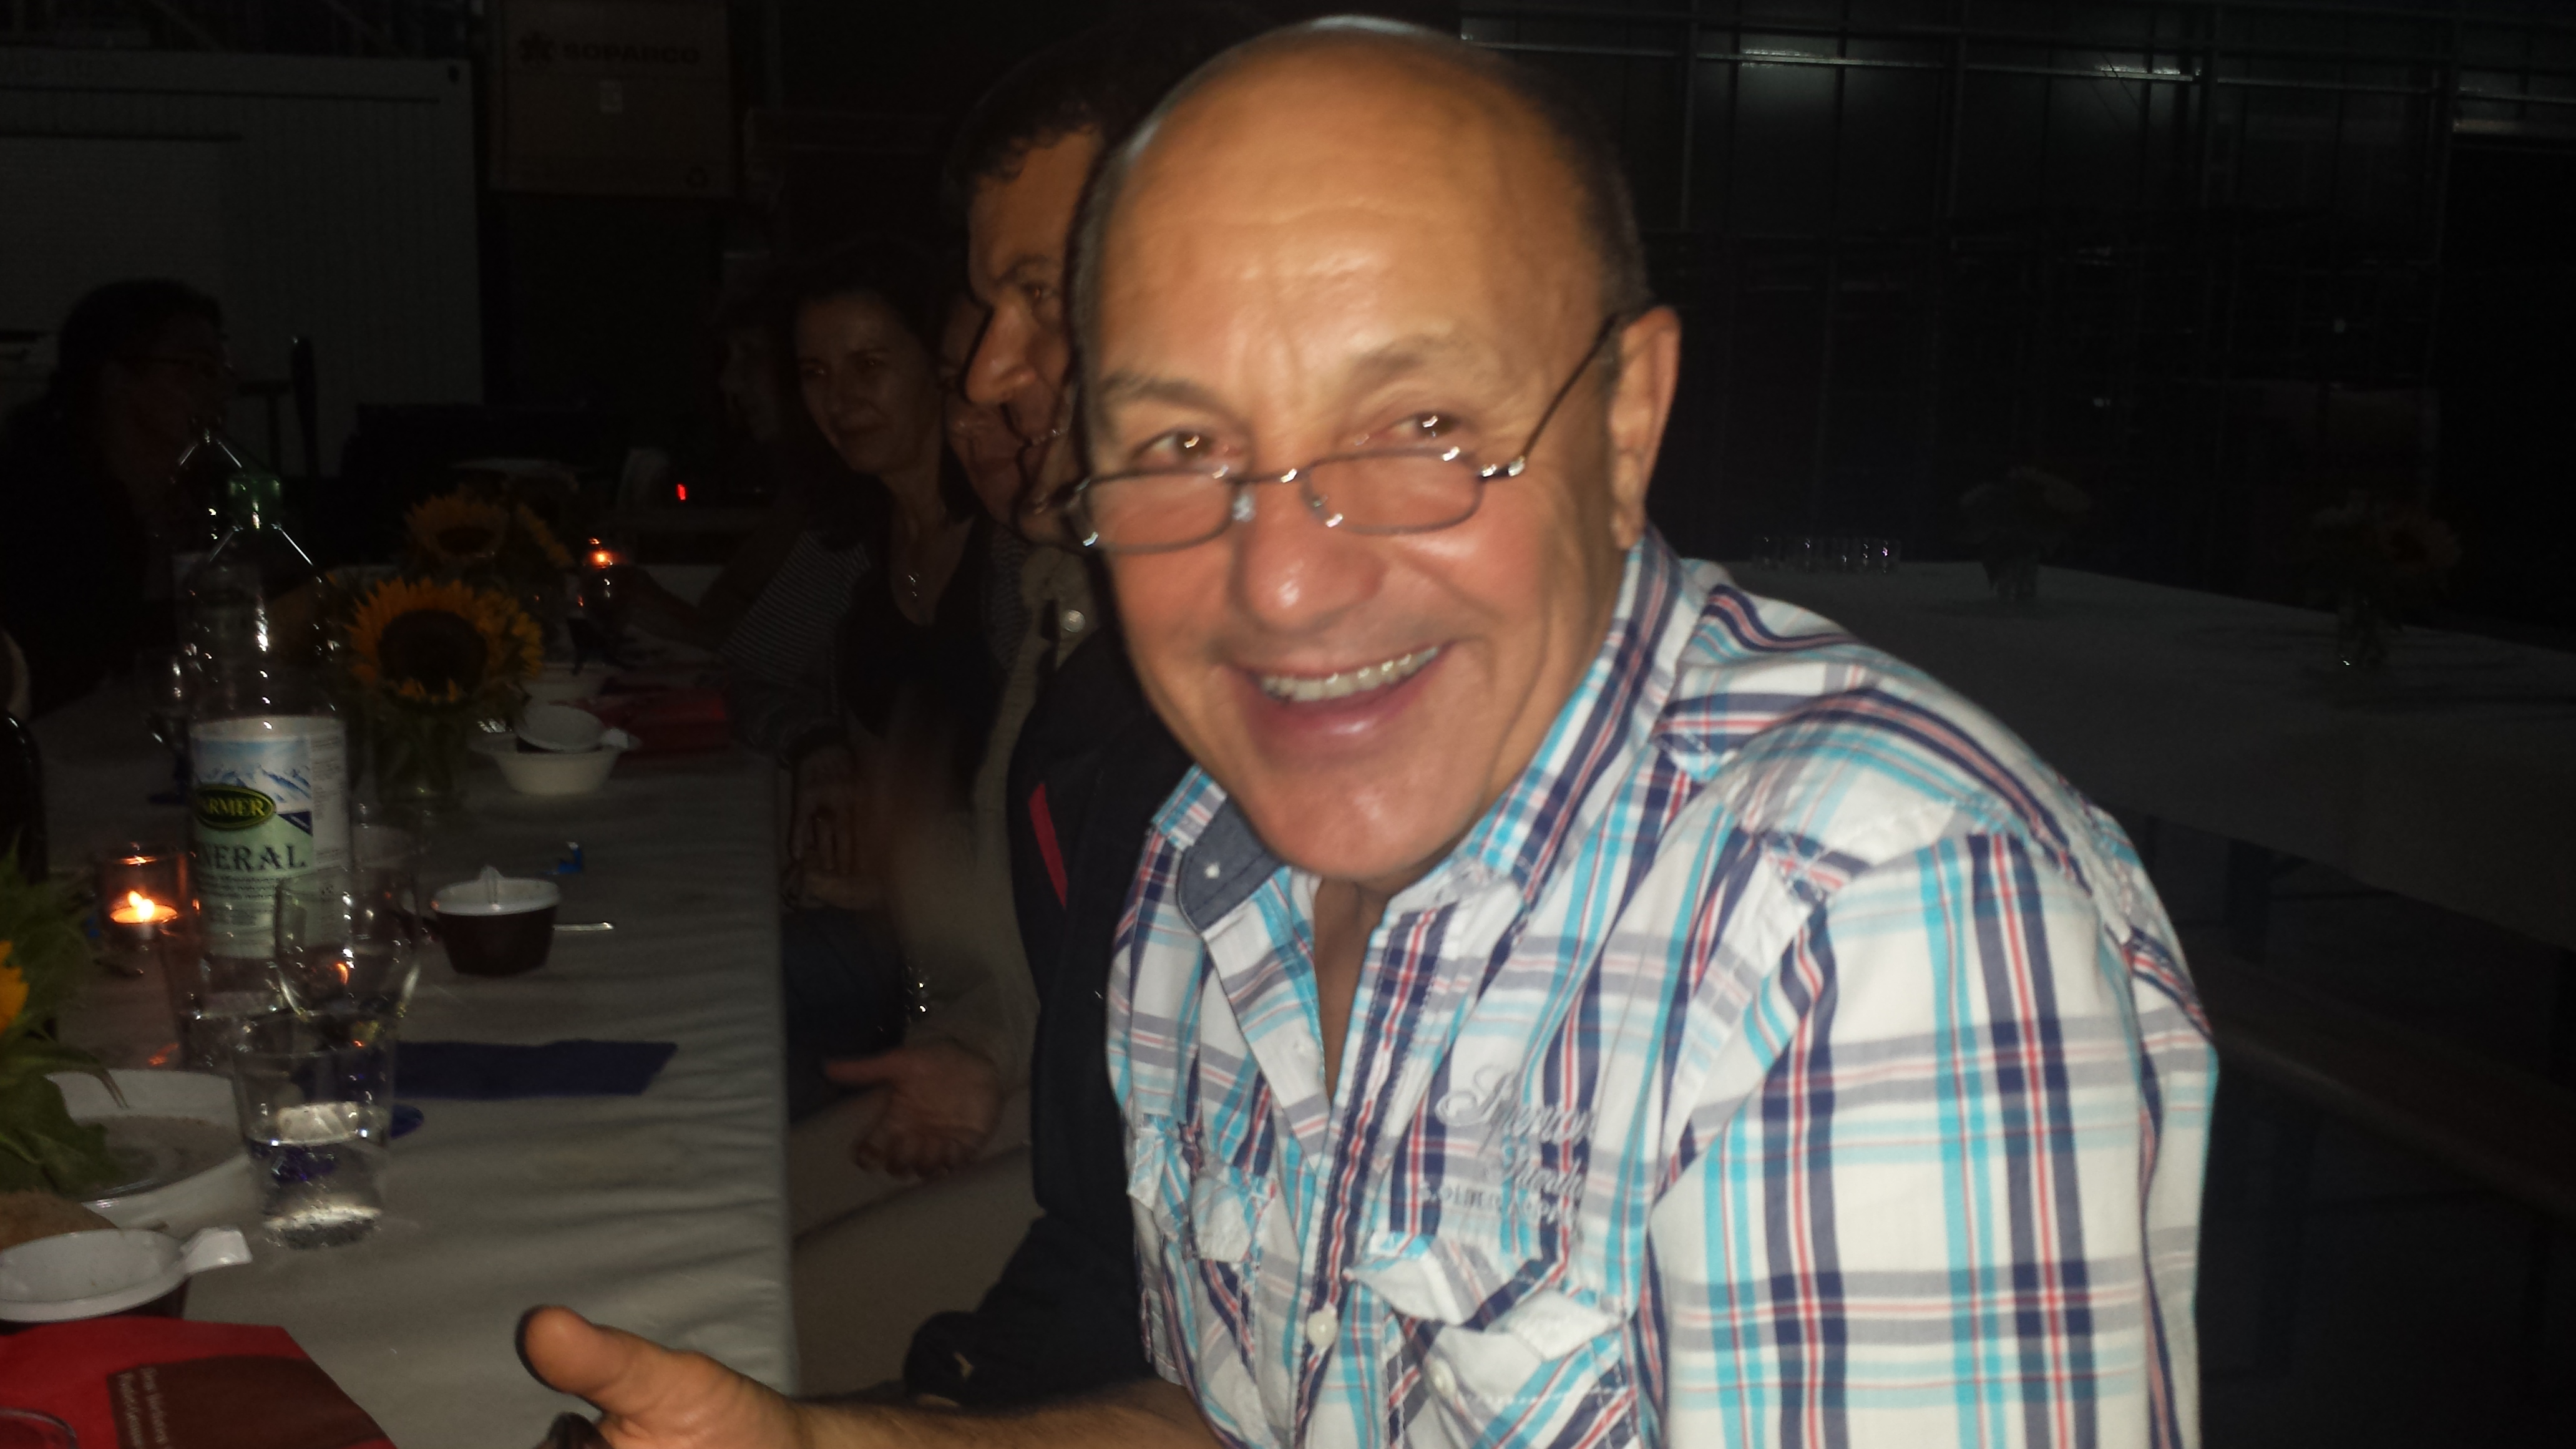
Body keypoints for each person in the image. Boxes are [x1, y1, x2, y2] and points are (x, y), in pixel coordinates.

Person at [519, 19, 2215, 1448]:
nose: (1277, 582)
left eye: (1416, 423)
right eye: (1180, 446)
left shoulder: (1868, 911)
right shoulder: (1205, 861)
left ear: (1626, 421)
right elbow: (1240, 1422)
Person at [0, 279, 232, 715]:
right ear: (114, 378)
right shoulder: (40, 511)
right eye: (195, 367)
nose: (218, 389)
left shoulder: (213, 498)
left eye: (222, 371)